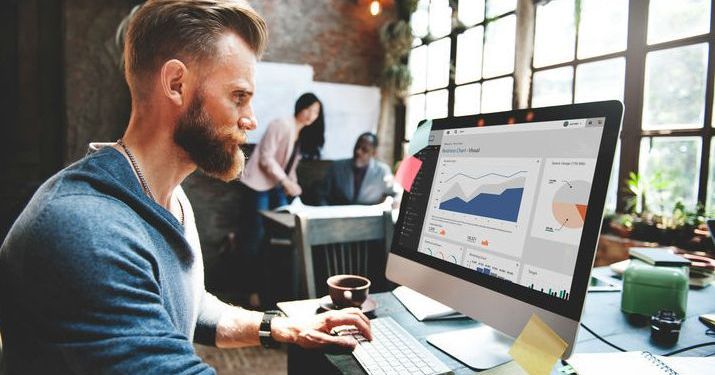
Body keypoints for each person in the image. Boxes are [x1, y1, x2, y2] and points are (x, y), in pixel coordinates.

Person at [0, 1, 371, 374]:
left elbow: (191, 305)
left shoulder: (171, 197)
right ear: (176, 84)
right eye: (238, 96)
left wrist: (278, 326)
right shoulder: (85, 229)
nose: (251, 120)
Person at [237, 92, 322, 307]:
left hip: (275, 186)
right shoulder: (281, 124)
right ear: (300, 107)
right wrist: (286, 182)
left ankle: (272, 290)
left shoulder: (300, 135)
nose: (312, 115)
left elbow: (288, 168)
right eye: (309, 109)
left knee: (278, 238)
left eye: (316, 112)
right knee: (256, 237)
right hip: (258, 185)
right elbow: (265, 157)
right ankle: (250, 290)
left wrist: (294, 185)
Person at [320, 132, 398, 206]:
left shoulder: (382, 171)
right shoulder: (336, 167)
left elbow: (396, 193)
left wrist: (393, 204)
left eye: (364, 150)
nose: (358, 151)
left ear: (374, 153)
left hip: (369, 217)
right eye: (357, 147)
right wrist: (326, 211)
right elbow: (321, 194)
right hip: (338, 216)